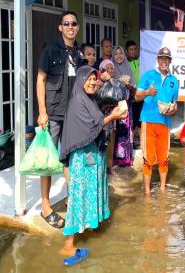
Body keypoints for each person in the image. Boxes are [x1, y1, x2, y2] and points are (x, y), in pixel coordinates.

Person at [58, 65, 127, 257]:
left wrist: (114, 111)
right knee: (79, 196)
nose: (93, 82)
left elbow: (98, 120)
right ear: (80, 81)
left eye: (94, 79)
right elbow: (90, 126)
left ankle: (92, 225)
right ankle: (68, 243)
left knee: (93, 191)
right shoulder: (77, 102)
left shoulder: (90, 99)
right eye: (89, 79)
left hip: (94, 154)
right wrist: (112, 116)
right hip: (81, 157)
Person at [36, 11, 82, 229]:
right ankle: (46, 207)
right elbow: (40, 80)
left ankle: (72, 200)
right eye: (66, 23)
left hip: (72, 114)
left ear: (77, 27)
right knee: (48, 161)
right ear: (60, 27)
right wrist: (42, 111)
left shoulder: (79, 54)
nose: (70, 26)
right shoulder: (50, 50)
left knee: (70, 158)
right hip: (53, 114)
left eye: (73, 23)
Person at [135, 47, 179, 194]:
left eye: (167, 59)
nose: (164, 61)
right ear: (157, 60)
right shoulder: (148, 75)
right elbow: (136, 97)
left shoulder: (174, 81)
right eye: (161, 58)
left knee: (164, 157)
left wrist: (173, 110)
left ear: (170, 61)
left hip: (165, 123)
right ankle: (147, 192)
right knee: (148, 157)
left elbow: (174, 103)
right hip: (148, 121)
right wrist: (147, 92)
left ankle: (162, 189)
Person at [112, 46, 136, 167]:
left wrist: (129, 86)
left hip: (127, 104)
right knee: (117, 131)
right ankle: (116, 160)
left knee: (127, 130)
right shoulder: (111, 68)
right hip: (115, 105)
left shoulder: (128, 67)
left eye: (121, 53)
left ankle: (127, 159)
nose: (119, 56)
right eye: (116, 54)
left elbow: (134, 87)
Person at [126, 40, 143, 149]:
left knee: (140, 120)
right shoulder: (125, 64)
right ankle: (131, 144)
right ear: (127, 51)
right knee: (131, 120)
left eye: (135, 49)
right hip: (131, 95)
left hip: (141, 95)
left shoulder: (140, 61)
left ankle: (142, 143)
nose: (133, 52)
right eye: (131, 50)